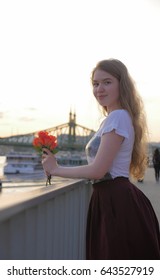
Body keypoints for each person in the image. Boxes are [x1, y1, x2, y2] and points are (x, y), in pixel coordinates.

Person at [42, 58, 160, 260]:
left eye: (107, 82)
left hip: (115, 200)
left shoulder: (117, 117)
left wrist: (56, 169)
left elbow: (97, 170)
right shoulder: (114, 118)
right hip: (112, 198)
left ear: (121, 85)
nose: (99, 89)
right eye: (95, 84)